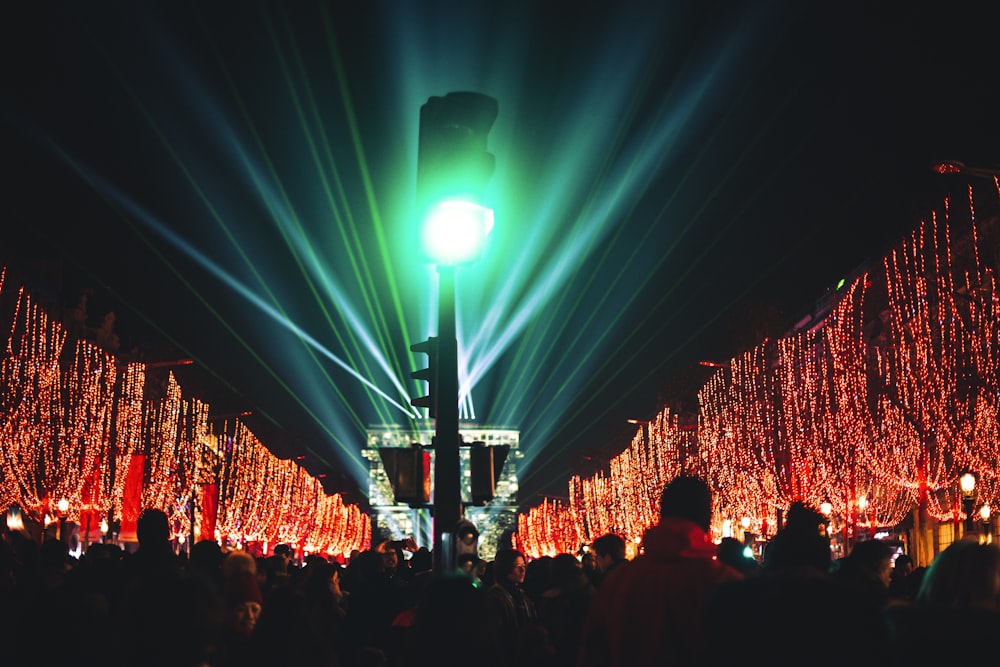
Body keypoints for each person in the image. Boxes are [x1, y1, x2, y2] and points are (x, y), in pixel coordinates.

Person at [578, 475, 742, 666]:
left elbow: (593, 648)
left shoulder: (618, 581)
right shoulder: (724, 581)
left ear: (662, 514)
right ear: (707, 518)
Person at [486, 548, 544, 662]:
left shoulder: (524, 597)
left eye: (524, 566)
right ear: (505, 569)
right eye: (517, 566)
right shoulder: (495, 597)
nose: (522, 570)